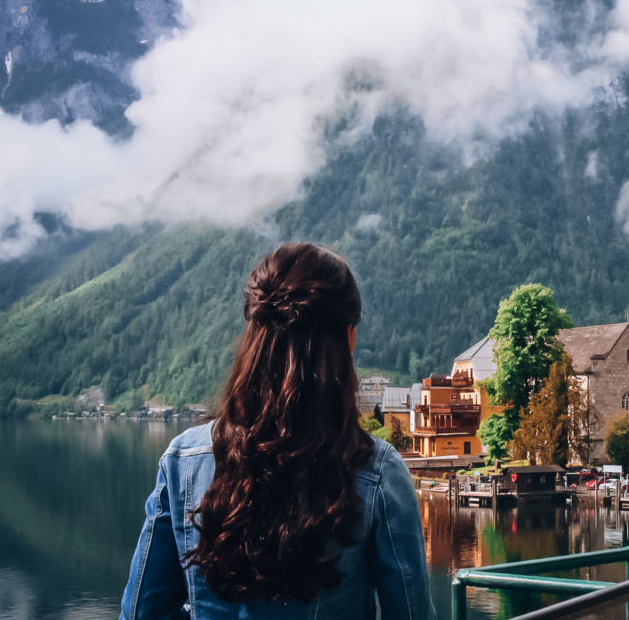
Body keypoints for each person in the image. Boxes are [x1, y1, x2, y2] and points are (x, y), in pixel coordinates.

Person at [120, 243, 436, 619]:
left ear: (254, 336)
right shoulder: (377, 471)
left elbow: (142, 611)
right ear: (348, 339)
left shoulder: (181, 459)